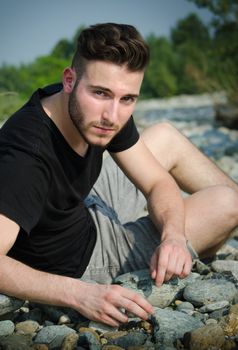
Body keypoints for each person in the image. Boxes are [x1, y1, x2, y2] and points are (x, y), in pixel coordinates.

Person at [0, 23, 237, 327]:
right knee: (227, 203)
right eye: (101, 93)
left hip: (82, 204)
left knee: (164, 137)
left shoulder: (94, 110)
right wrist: (79, 294)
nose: (113, 116)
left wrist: (174, 235)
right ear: (69, 80)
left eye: (128, 99)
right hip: (84, 256)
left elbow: (156, 182)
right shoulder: (25, 158)